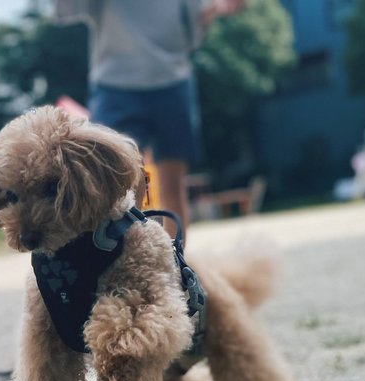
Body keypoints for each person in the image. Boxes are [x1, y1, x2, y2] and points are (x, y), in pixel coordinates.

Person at [56, 0, 245, 231]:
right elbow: (67, 8)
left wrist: (219, 7)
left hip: (171, 80)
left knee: (172, 185)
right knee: (117, 184)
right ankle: (121, 250)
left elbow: (197, 22)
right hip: (116, 84)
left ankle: (175, 252)